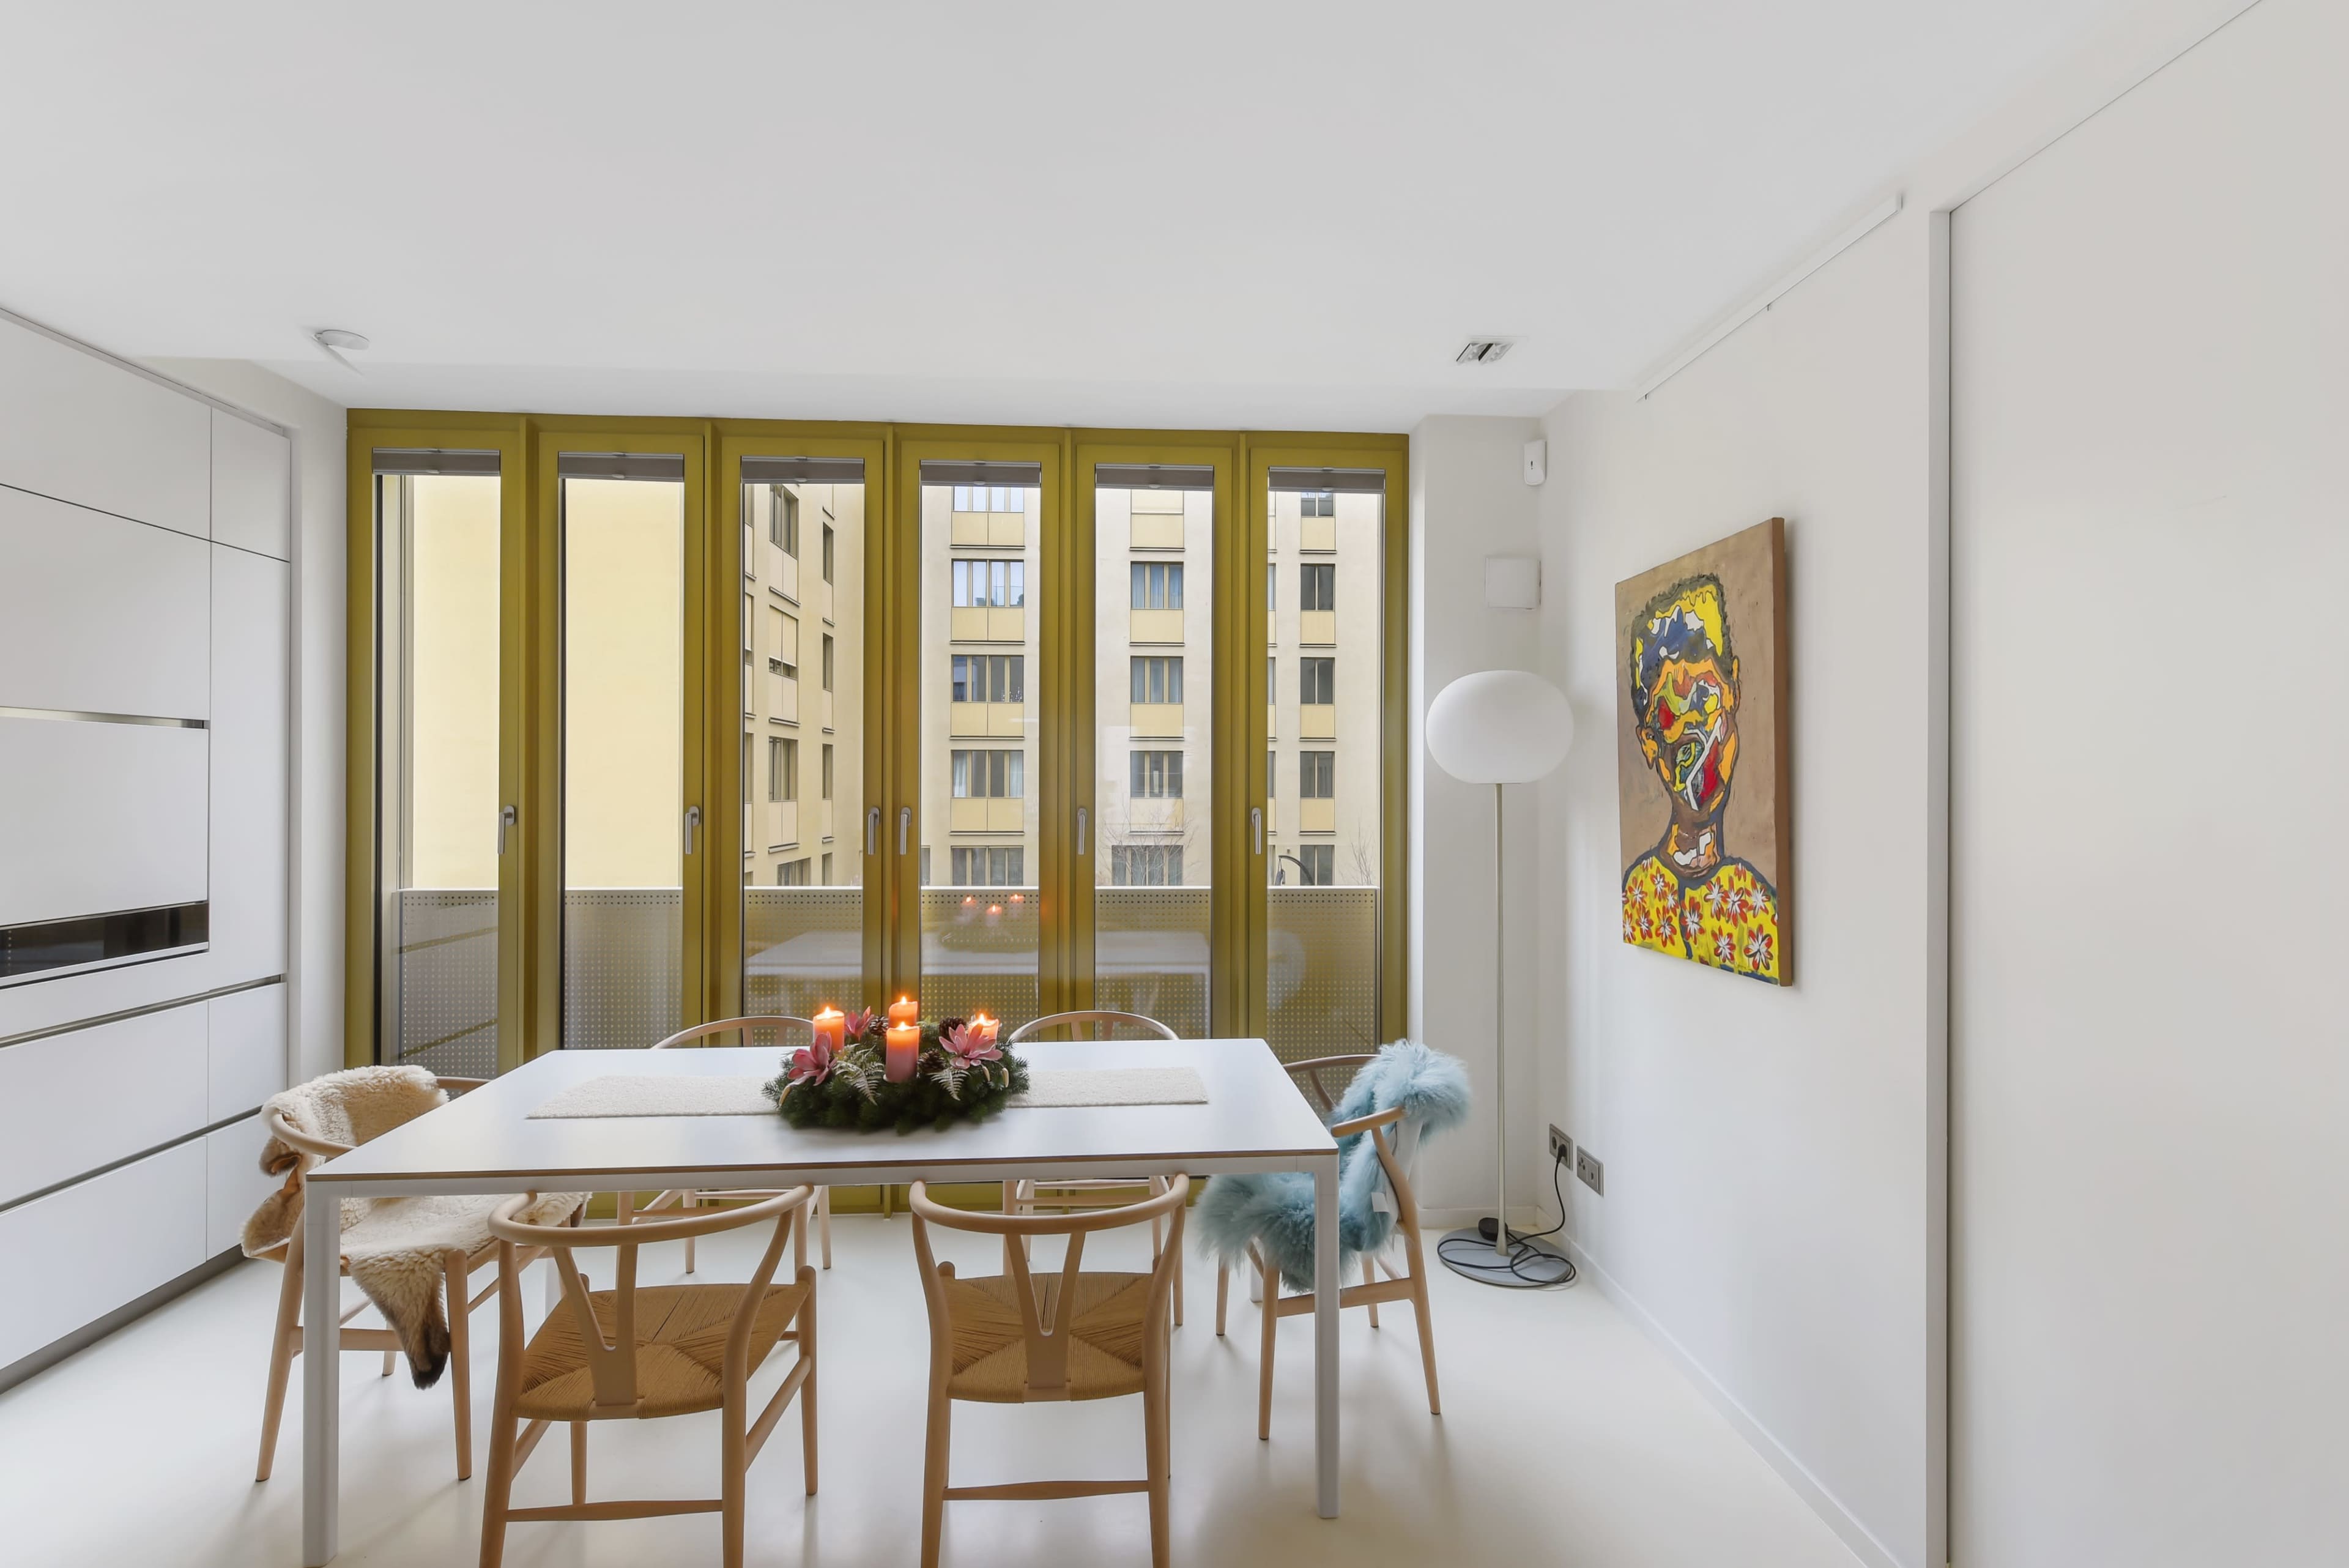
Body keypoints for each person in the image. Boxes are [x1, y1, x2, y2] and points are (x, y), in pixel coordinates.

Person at [1620, 574, 1781, 981]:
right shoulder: (1638, 897)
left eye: (1706, 699)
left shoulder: (1757, 905)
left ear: (1734, 692)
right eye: (1674, 717)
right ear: (1651, 744)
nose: (1700, 738)